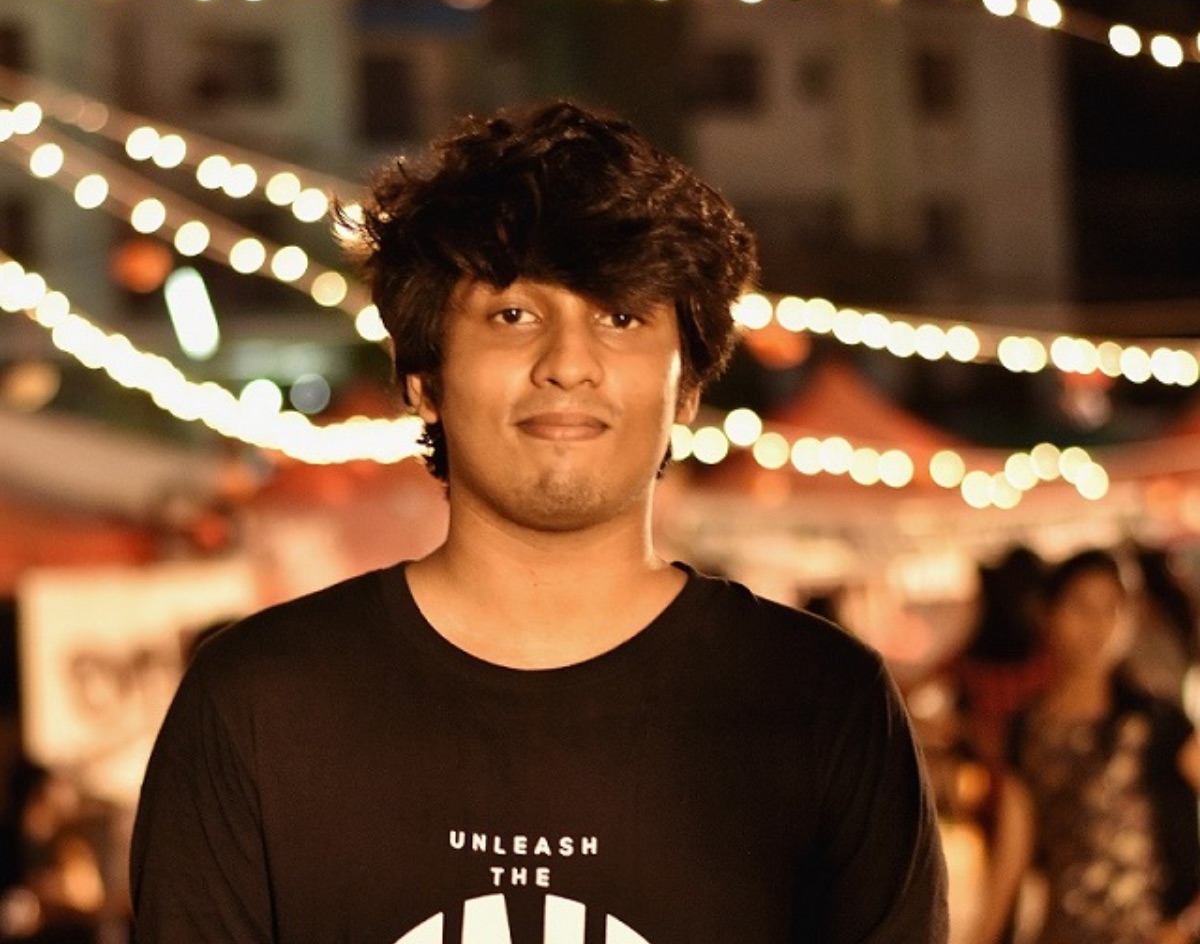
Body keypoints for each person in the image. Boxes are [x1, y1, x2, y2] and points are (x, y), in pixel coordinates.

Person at [129, 99, 949, 943]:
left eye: (621, 316)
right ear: (424, 377)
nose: (568, 364)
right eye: (514, 315)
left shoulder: (820, 705)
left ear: (689, 386)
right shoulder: (261, 706)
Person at [969, 547, 1200, 944]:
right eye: (1082, 607)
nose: (1097, 625)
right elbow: (1012, 849)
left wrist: (1186, 923)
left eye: (1112, 609)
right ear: (1048, 612)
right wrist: (985, 935)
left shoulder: (1156, 723)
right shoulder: (1027, 727)